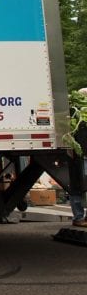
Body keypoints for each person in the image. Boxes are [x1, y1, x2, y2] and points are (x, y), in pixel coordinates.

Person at [70, 88, 87, 228]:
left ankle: (80, 217)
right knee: (77, 186)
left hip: (78, 156)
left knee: (77, 186)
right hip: (78, 156)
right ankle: (79, 217)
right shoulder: (74, 113)